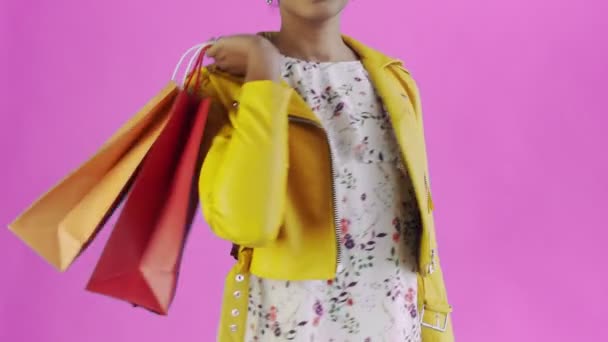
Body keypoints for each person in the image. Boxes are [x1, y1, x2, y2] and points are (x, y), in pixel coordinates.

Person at [194, 0, 453, 341]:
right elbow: (247, 223)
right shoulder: (230, 85)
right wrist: (263, 71)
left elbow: (418, 240)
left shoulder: (393, 81)